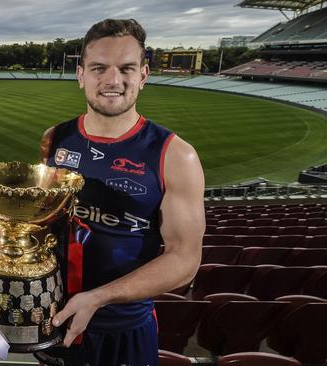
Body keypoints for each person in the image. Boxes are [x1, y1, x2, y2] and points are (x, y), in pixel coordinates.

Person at [38, 19, 205, 366]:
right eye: (99, 68)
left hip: (124, 329)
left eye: (126, 68)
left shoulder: (175, 155)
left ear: (143, 75)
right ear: (81, 74)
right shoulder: (55, 139)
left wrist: (98, 298)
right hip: (53, 320)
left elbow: (185, 261)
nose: (113, 80)